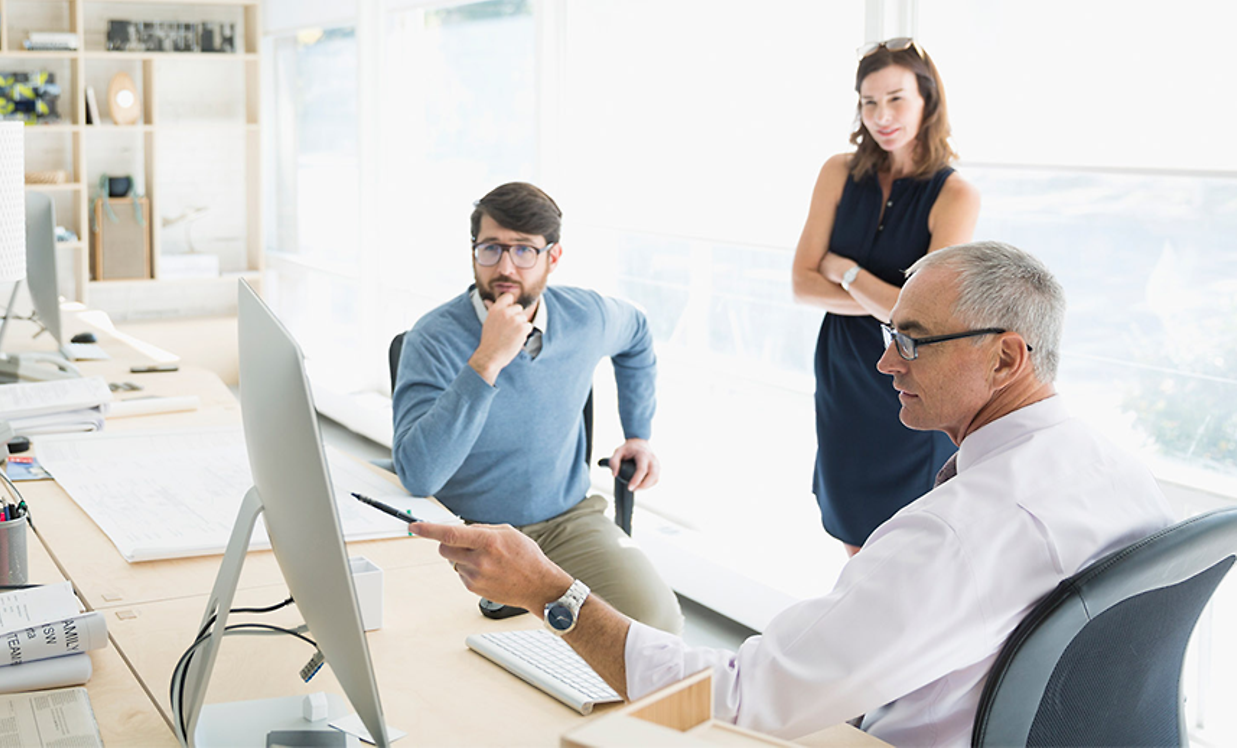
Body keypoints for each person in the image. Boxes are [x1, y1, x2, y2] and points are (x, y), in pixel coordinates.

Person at [412, 241, 1173, 747]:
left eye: (910, 340)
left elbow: (745, 704)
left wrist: (550, 592)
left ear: (1007, 357)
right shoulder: (1121, 473)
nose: (884, 363)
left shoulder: (959, 531)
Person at [392, 181, 682, 634]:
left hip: (566, 522)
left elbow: (638, 334)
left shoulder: (587, 316)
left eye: (524, 250)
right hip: (468, 531)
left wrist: (638, 433)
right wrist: (486, 361)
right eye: (491, 248)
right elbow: (418, 475)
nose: (505, 267)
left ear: (553, 257)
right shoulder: (433, 337)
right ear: (473, 252)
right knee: (446, 654)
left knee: (657, 623)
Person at [792, 38, 982, 554]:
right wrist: (891, 299)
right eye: (869, 101)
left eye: (896, 98)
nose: (881, 115)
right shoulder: (837, 171)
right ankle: (860, 635)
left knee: (914, 540)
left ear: (927, 99)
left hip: (916, 372)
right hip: (843, 372)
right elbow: (803, 283)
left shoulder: (955, 193)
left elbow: (925, 311)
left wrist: (846, 271)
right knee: (853, 532)